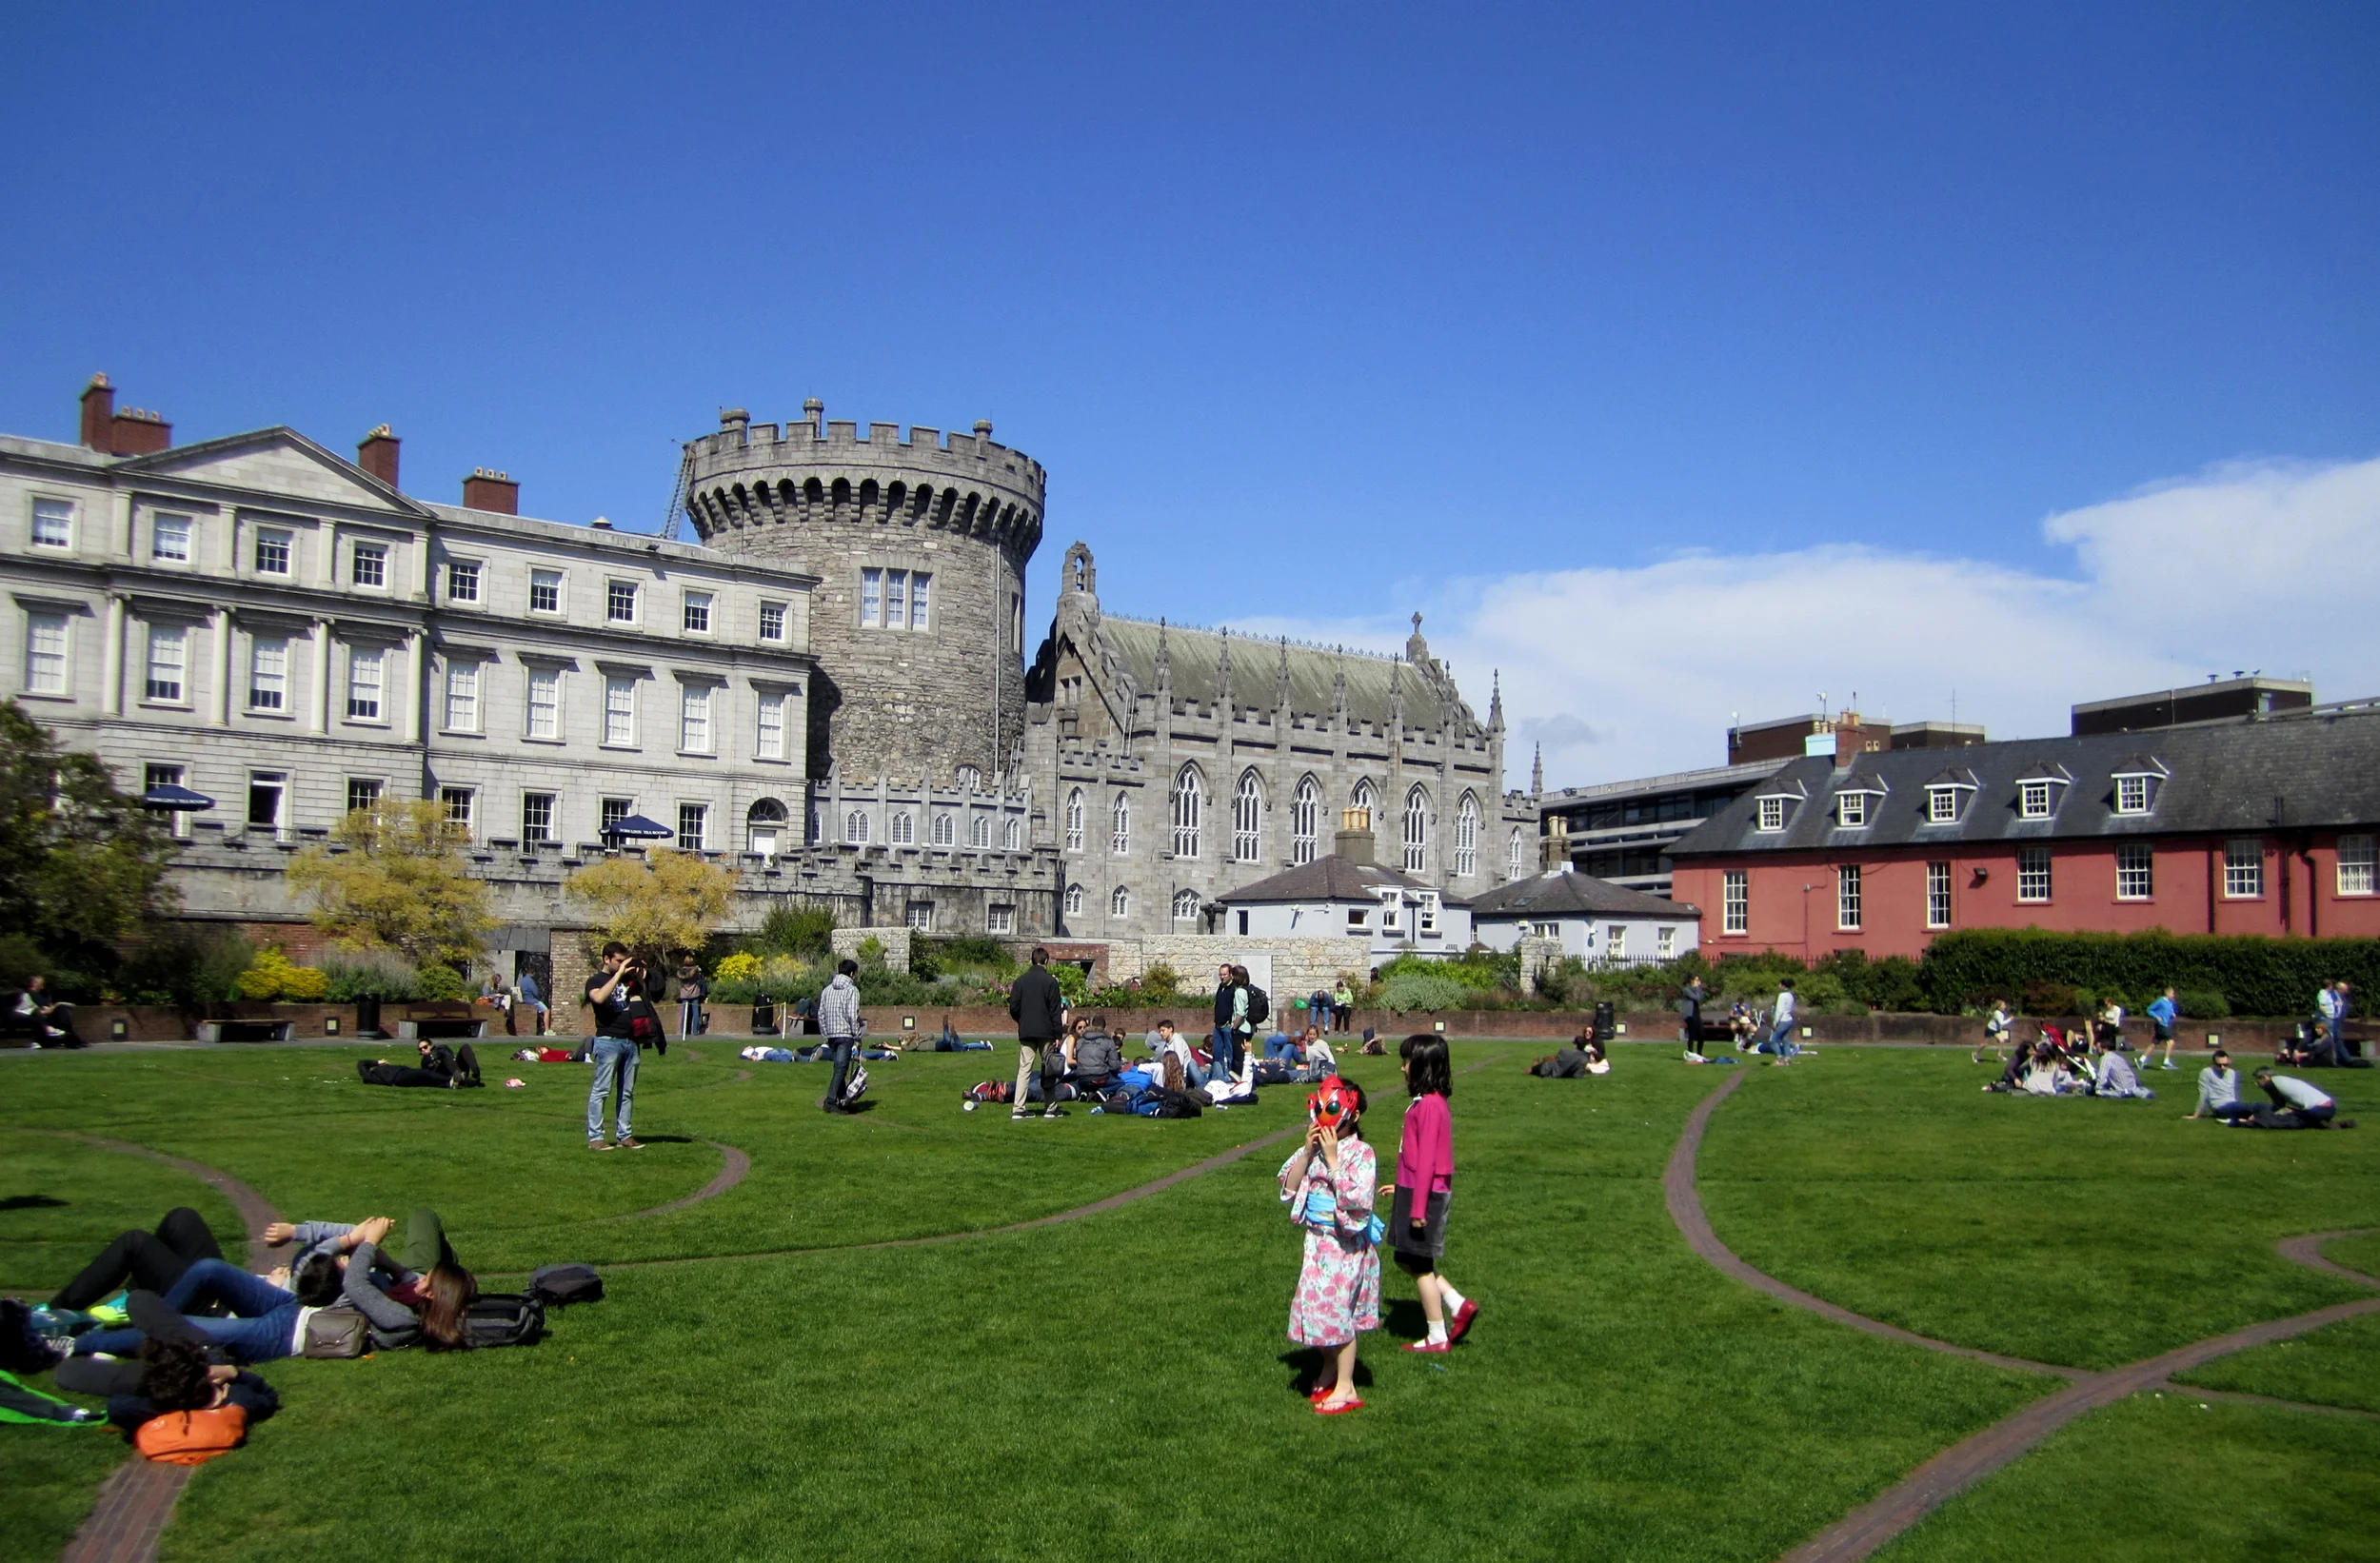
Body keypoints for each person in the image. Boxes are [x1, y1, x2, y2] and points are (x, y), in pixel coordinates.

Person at [1279, 1078, 1379, 1415]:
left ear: (1354, 1114)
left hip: (1344, 1246)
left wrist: (1334, 1161)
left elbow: (1357, 1199)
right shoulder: (1315, 1148)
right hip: (1317, 1244)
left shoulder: (1362, 1154)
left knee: (1338, 1314)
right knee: (1315, 1309)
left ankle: (1347, 1386)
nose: (1324, 1116)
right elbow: (1289, 1188)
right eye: (1320, 1107)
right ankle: (1329, 1367)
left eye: (1333, 1108)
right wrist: (1308, 1152)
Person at [1393, 1037, 1476, 1351]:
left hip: (1424, 1195)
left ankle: (1437, 1334)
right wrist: (1400, 1185)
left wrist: (1417, 1208)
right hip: (1414, 1187)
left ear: (1423, 1068)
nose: (1402, 1068)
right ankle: (1457, 1303)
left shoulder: (1430, 1105)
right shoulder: (1428, 1102)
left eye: (1407, 1062)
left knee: (1421, 1265)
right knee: (1404, 1256)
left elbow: (1427, 1158)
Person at [50, 1206, 229, 1314]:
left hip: (219, 1311)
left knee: (135, 1243)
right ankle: (135, 1294)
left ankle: (54, 1315)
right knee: (181, 1218)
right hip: (230, 1292)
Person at [584, 942, 647, 1150]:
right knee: (601, 1091)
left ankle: (625, 1135)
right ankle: (596, 1138)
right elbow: (599, 998)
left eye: (624, 961)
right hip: (608, 1040)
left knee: (627, 1092)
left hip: (630, 1041)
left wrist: (639, 977)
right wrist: (619, 974)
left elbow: (644, 996)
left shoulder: (628, 981)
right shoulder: (596, 980)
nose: (622, 965)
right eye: (619, 961)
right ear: (606, 959)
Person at [1008, 945, 1067, 1120]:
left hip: (1026, 1029)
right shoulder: (1050, 982)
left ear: (1032, 960)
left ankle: (1018, 1107)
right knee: (1048, 1068)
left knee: (1024, 1069)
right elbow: (1055, 1011)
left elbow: (1014, 1007)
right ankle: (1051, 1107)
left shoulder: (1020, 981)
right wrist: (1058, 1035)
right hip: (1046, 1030)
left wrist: (1021, 1021)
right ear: (1046, 961)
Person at [2232, 1068, 2354, 1130]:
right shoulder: (2282, 1079)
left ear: (2265, 1077)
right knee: (2294, 1115)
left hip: (2319, 1109)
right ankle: (2327, 1124)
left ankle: (2249, 1124)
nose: (2257, 1084)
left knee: (2284, 1120)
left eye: (2258, 1080)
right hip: (2328, 1106)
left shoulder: (2270, 1084)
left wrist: (2256, 1117)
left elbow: (2278, 1107)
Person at [817, 958, 864, 1114]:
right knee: (841, 1068)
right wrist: (857, 1034)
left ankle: (843, 1098)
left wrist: (825, 1033)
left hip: (831, 1035)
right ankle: (830, 1101)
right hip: (845, 1035)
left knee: (839, 1067)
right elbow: (852, 1014)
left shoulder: (827, 990)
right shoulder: (852, 990)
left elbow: (821, 1014)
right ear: (852, 974)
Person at [358, 1036, 484, 1088]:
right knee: (443, 1058)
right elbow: (428, 1070)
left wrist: (439, 1054)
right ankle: (466, 1081)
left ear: (431, 1045)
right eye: (420, 1049)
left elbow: (448, 1054)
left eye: (425, 1047)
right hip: (447, 1074)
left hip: (456, 1068)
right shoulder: (425, 1060)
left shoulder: (441, 1049)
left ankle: (476, 1072)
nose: (423, 1050)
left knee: (465, 1047)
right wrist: (377, 1062)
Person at [11, 975, 80, 1047]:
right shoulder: (27, 995)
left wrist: (54, 1007)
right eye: (41, 984)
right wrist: (55, 1006)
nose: (42, 987)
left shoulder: (43, 995)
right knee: (61, 1009)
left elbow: (49, 1006)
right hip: (36, 1015)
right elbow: (35, 1009)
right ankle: (66, 1036)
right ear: (34, 983)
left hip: (45, 1015)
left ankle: (68, 1036)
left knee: (62, 1010)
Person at [2089, 1037, 2155, 1099]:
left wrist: (2097, 1089)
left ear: (2104, 1049)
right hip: (2132, 1086)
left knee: (2099, 1092)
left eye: (2098, 1049)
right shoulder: (2116, 1056)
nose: (2096, 1051)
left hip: (2122, 1090)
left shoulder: (2105, 1058)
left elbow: (2102, 1077)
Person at [1069, 1016, 1124, 1091]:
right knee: (1120, 1083)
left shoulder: (1081, 1040)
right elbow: (1114, 1066)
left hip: (1082, 1077)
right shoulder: (1108, 1041)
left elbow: (1078, 1059)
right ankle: (1102, 1092)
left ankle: (1084, 1092)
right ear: (1104, 1027)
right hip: (1100, 1077)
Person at [2188, 1048, 2244, 1120]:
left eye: (2225, 1064)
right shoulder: (2207, 1072)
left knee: (2257, 1108)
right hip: (2220, 1107)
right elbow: (2204, 1095)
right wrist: (2197, 1114)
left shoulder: (2231, 1073)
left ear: (2229, 1062)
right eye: (2219, 1065)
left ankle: (2241, 1121)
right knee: (2250, 1112)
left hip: (2234, 1104)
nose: (2222, 1067)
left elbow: (2233, 1093)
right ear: (2213, 1063)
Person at [673, 953, 709, 1043]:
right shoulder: (695, 970)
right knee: (696, 1013)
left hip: (684, 994)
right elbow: (699, 978)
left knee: (684, 1013)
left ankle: (684, 1030)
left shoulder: (681, 972)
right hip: (694, 993)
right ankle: (695, 1031)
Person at [2146, 987, 2180, 1071]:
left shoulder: (2170, 1003)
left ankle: (2141, 1060)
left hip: (2166, 1024)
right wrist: (2157, 1017)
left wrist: (2172, 1014)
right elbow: (2149, 1010)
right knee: (2170, 1042)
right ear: (2167, 993)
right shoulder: (2161, 1001)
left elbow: (2170, 1011)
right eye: (2172, 993)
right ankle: (2166, 1062)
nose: (2173, 995)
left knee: (2155, 1043)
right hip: (2162, 1024)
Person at [1767, 979, 1799, 1061]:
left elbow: (1779, 1011)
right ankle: (1788, 1058)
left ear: (1783, 985)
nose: (1779, 986)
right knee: (1785, 1041)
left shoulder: (1782, 996)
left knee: (1773, 1041)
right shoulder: (1791, 995)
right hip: (1789, 1019)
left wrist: (1775, 1022)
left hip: (1783, 1020)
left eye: (1780, 984)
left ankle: (1779, 1057)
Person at [1975, 998, 2014, 1065]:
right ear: (1999, 1006)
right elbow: (2001, 1023)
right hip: (1990, 1029)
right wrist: (2010, 1019)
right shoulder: (1997, 1013)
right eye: (2003, 1005)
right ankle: (1976, 1054)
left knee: (2001, 1040)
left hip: (1996, 1030)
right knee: (1985, 1044)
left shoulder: (2002, 1013)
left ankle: (1999, 1055)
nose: (2005, 1006)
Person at [480, 970, 517, 1036]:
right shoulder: (487, 985)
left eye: (499, 980)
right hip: (491, 1000)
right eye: (498, 980)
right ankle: (508, 1013)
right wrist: (496, 995)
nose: (498, 982)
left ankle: (508, 1012)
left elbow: (506, 989)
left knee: (507, 997)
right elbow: (485, 996)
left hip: (497, 1000)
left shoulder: (496, 986)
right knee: (505, 1001)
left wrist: (500, 993)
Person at [1678, 976, 1708, 1058]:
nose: (1698, 981)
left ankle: (1699, 1053)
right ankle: (1690, 1053)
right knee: (1692, 1034)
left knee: (1702, 1034)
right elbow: (1696, 998)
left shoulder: (1697, 989)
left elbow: (1701, 998)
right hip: (1690, 1014)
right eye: (1697, 980)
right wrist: (1698, 988)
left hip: (1696, 1013)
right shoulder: (1686, 990)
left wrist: (1700, 989)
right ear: (1691, 981)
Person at [515, 968, 549, 1036]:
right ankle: (547, 1030)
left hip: (525, 999)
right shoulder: (530, 981)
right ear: (533, 973)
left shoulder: (523, 980)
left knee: (540, 1014)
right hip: (533, 1000)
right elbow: (535, 992)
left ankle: (541, 1028)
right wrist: (539, 997)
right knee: (546, 1011)